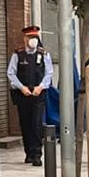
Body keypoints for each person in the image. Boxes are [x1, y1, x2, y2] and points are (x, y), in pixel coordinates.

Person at [7, 25, 54, 166]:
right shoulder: (18, 54)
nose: (33, 39)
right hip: (23, 94)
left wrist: (41, 87)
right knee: (25, 123)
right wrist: (21, 88)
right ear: (25, 38)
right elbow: (11, 73)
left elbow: (49, 73)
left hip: (38, 93)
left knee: (37, 123)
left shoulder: (44, 54)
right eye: (30, 37)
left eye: (35, 37)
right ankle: (28, 153)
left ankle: (37, 154)